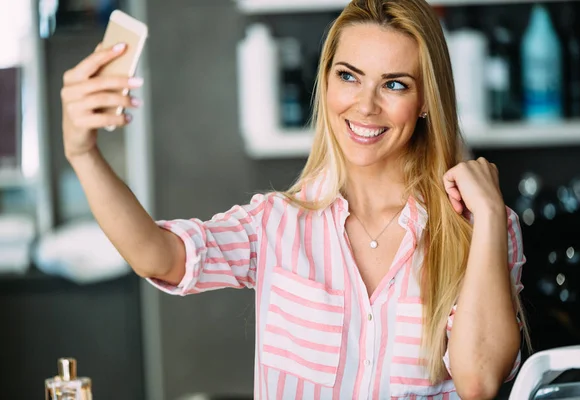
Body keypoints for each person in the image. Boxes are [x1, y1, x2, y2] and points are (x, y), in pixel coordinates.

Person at [60, 0, 529, 398]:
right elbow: (157, 257)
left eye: (394, 84)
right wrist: (82, 152)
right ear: (325, 82)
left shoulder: (480, 227)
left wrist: (487, 214)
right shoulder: (277, 223)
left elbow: (480, 380)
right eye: (349, 76)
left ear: (426, 99)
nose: (365, 106)